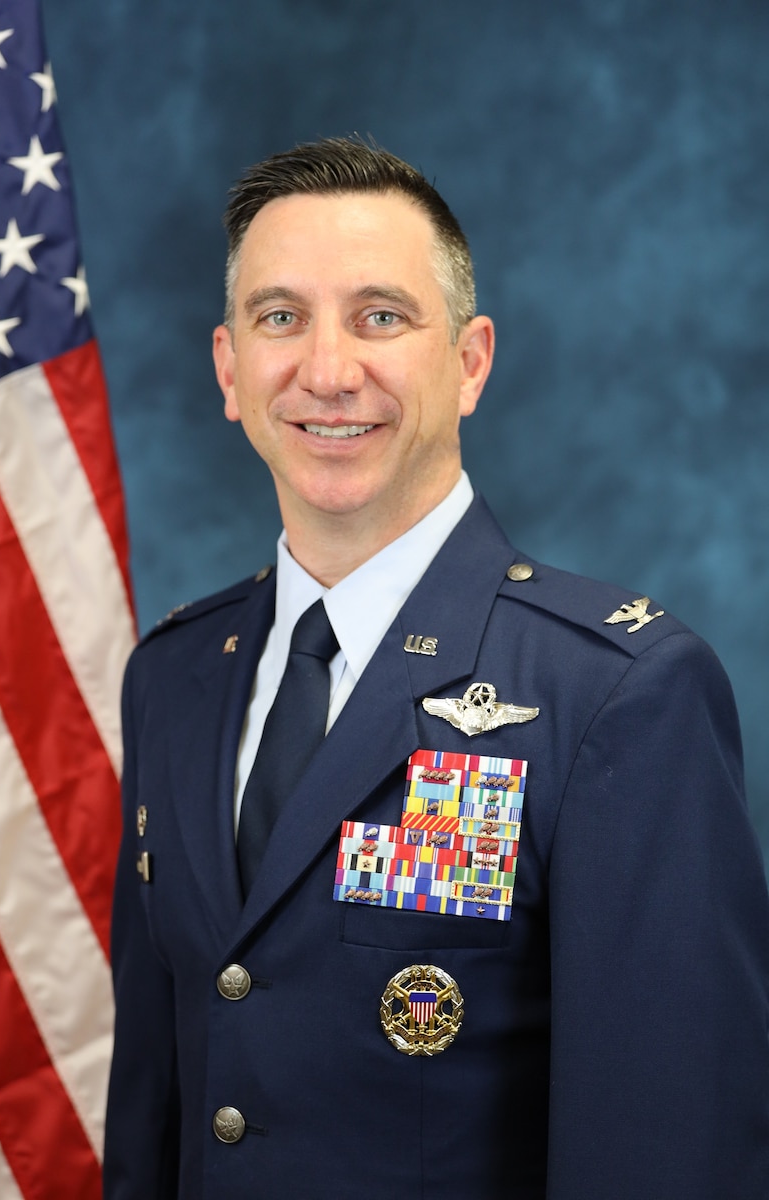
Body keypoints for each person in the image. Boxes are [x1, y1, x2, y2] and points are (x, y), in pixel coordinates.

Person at [103, 137, 769, 1200]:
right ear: (229, 369)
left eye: (380, 317)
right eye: (280, 318)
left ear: (469, 362)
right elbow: (154, 1111)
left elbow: (667, 1152)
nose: (328, 371)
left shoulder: (615, 694)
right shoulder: (173, 678)